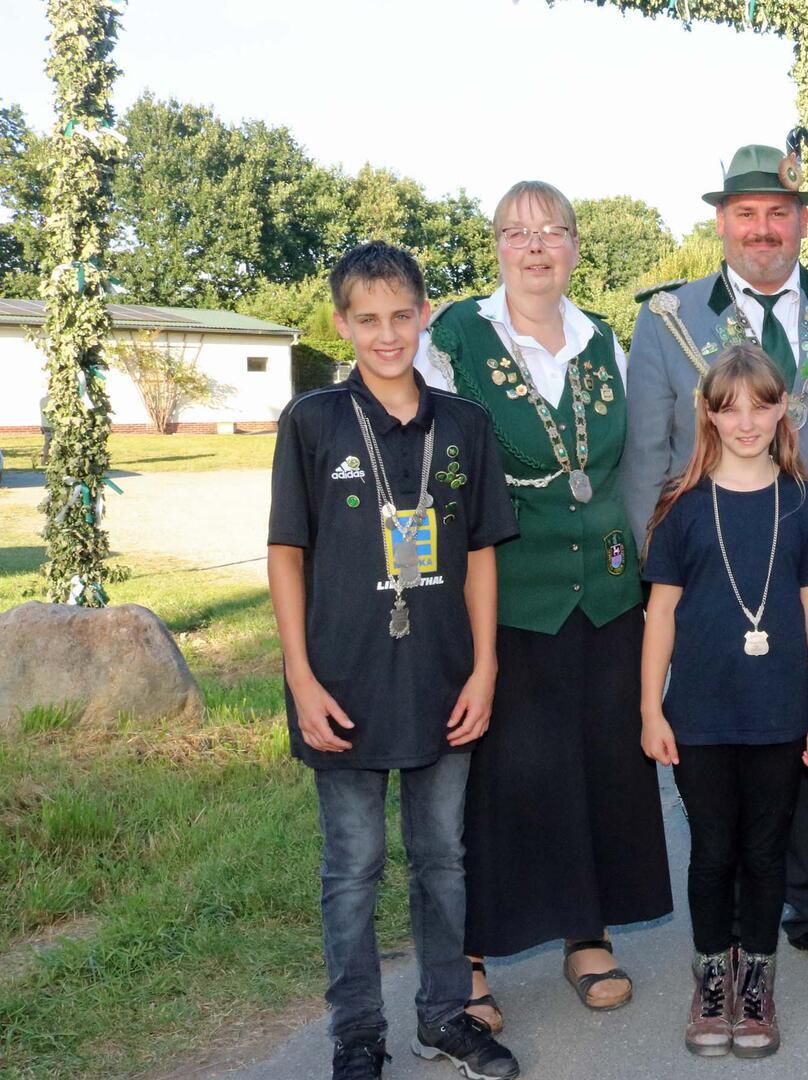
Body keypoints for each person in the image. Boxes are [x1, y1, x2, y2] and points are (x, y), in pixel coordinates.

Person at [627, 138, 808, 978]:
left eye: (778, 215)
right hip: (711, 569)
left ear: (801, 222)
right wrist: (654, 580)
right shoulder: (669, 318)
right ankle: (742, 907)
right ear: (721, 224)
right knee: (723, 743)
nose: (762, 230)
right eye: (745, 215)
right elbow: (647, 454)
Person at [417, 181, 672, 1026]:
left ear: (572, 245)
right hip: (503, 592)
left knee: (600, 764)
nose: (535, 247)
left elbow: (636, 459)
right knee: (502, 775)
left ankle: (586, 933)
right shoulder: (452, 337)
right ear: (495, 245)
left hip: (603, 589)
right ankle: (474, 952)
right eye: (517, 232)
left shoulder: (604, 340)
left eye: (552, 232)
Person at [268, 241, 521, 1080]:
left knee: (442, 857)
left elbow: (483, 552)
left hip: (446, 679)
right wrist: (301, 678)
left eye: (401, 317)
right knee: (353, 867)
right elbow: (286, 552)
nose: (386, 336)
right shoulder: (312, 422)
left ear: (423, 317)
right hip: (341, 684)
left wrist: (484, 668)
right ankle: (357, 1033)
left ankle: (445, 1016)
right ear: (342, 324)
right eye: (367, 320)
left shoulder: (466, 426)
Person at [640, 346, 808, 1060]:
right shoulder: (682, 504)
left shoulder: (803, 500)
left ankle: (756, 980)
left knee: (763, 852)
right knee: (712, 851)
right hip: (699, 714)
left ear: (783, 407)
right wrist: (650, 709)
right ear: (710, 413)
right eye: (730, 406)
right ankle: (712, 982)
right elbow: (660, 614)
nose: (747, 420)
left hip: (781, 712)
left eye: (761, 404)